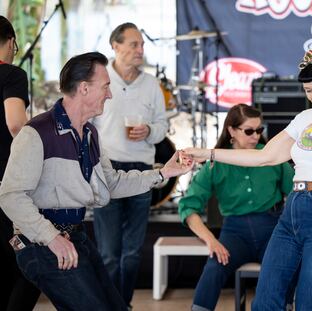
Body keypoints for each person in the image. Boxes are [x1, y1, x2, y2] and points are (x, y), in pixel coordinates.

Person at [184, 50, 312, 311]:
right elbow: (265, 156)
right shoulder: (305, 118)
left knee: (310, 302)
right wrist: (208, 153)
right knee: (266, 299)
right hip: (292, 212)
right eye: (309, 90)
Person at [0, 51, 193, 311]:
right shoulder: (36, 132)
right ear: (84, 88)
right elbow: (10, 196)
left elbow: (110, 183)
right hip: (40, 244)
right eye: (106, 86)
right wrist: (52, 238)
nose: (110, 94)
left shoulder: (90, 133)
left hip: (74, 236)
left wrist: (162, 173)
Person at [178, 104, 295, 311]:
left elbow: (297, 193)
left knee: (285, 264)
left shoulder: (272, 157)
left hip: (273, 230)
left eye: (259, 130)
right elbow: (188, 206)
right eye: (249, 131)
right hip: (235, 234)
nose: (256, 136)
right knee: (214, 267)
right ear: (231, 131)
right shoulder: (214, 164)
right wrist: (211, 241)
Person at [91, 22, 168, 308]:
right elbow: (86, 124)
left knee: (133, 252)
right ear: (115, 45)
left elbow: (163, 126)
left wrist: (149, 130)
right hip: (106, 169)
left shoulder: (151, 84)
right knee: (109, 253)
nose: (140, 50)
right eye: (134, 44)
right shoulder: (99, 79)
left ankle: (124, 304)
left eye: (142, 45)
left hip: (142, 170)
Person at [0, 15, 41, 311]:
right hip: (5, 184)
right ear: (12, 42)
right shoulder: (11, 75)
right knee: (30, 264)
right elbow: (16, 124)